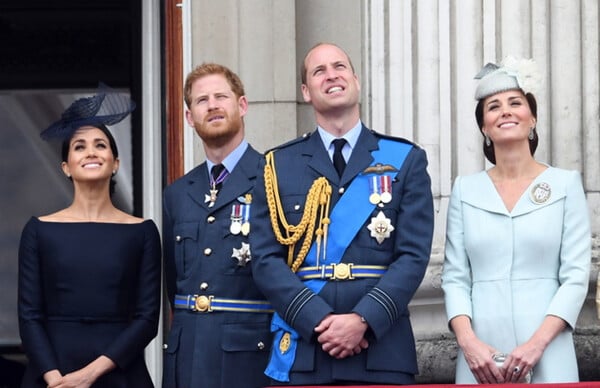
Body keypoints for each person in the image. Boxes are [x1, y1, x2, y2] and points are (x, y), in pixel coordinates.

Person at [249, 42, 434, 385]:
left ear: (356, 80)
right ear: (306, 91)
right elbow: (264, 259)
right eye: (319, 71)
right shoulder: (277, 165)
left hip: (381, 350)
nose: (331, 75)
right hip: (306, 350)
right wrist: (317, 320)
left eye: (339, 67)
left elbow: (413, 256)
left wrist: (363, 319)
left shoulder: (404, 158)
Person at [442, 58, 591, 384]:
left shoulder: (565, 184)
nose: (505, 111)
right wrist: (470, 344)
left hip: (547, 348)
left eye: (515, 103)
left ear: (532, 117)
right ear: (484, 125)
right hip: (480, 354)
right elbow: (455, 278)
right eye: (493, 106)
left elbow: (576, 276)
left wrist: (536, 345)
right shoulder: (465, 189)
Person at [18, 83, 162, 388]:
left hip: (119, 372)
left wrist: (89, 375)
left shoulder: (143, 232)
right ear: (66, 167)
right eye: (79, 146)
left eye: (100, 144)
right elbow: (29, 316)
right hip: (52, 373)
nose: (91, 152)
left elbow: (147, 319)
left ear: (115, 163)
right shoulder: (38, 230)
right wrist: (55, 379)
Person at [162, 63, 273, 388]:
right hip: (187, 355)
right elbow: (174, 282)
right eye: (201, 100)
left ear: (242, 105)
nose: (212, 105)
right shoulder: (178, 193)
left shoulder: (273, 178)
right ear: (189, 117)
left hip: (248, 357)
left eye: (221, 96)